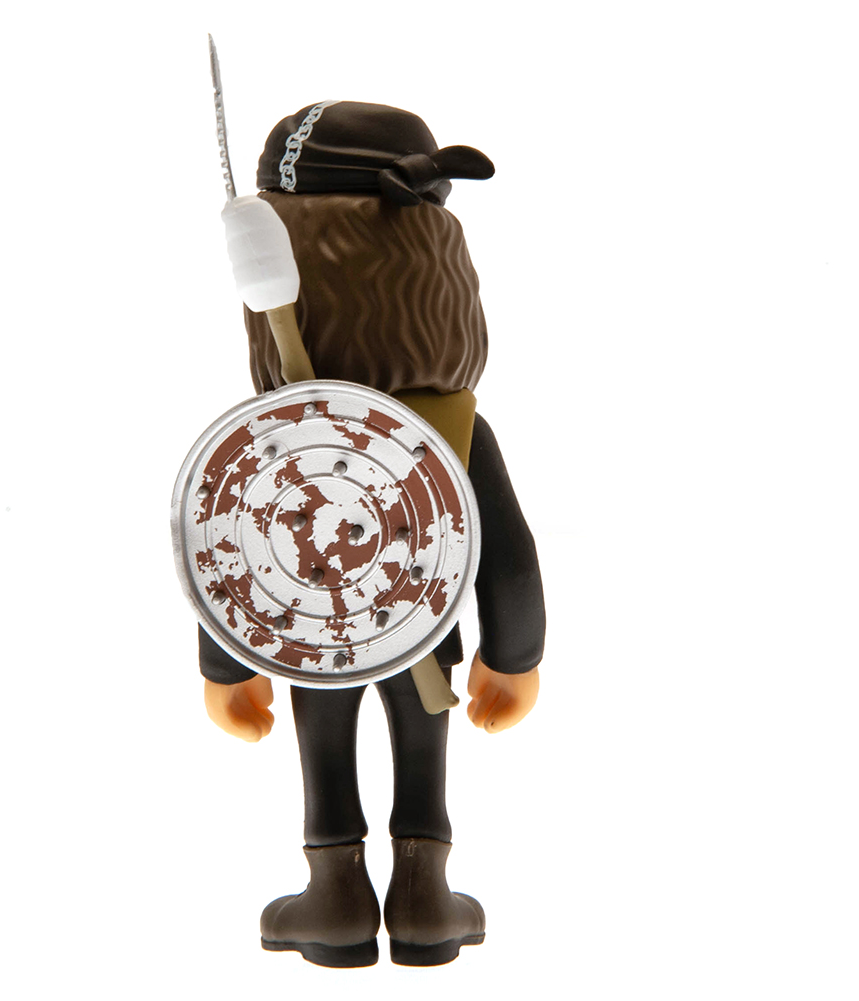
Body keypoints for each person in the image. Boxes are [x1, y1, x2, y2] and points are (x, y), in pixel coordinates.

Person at [198, 102, 546, 967]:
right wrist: (515, 654)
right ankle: (424, 892)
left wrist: (227, 666)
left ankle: (334, 890)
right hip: (424, 626)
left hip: (307, 632)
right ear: (438, 276)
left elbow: (228, 553)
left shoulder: (271, 436)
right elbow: (507, 553)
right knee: (424, 739)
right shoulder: (455, 429)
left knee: (321, 742)